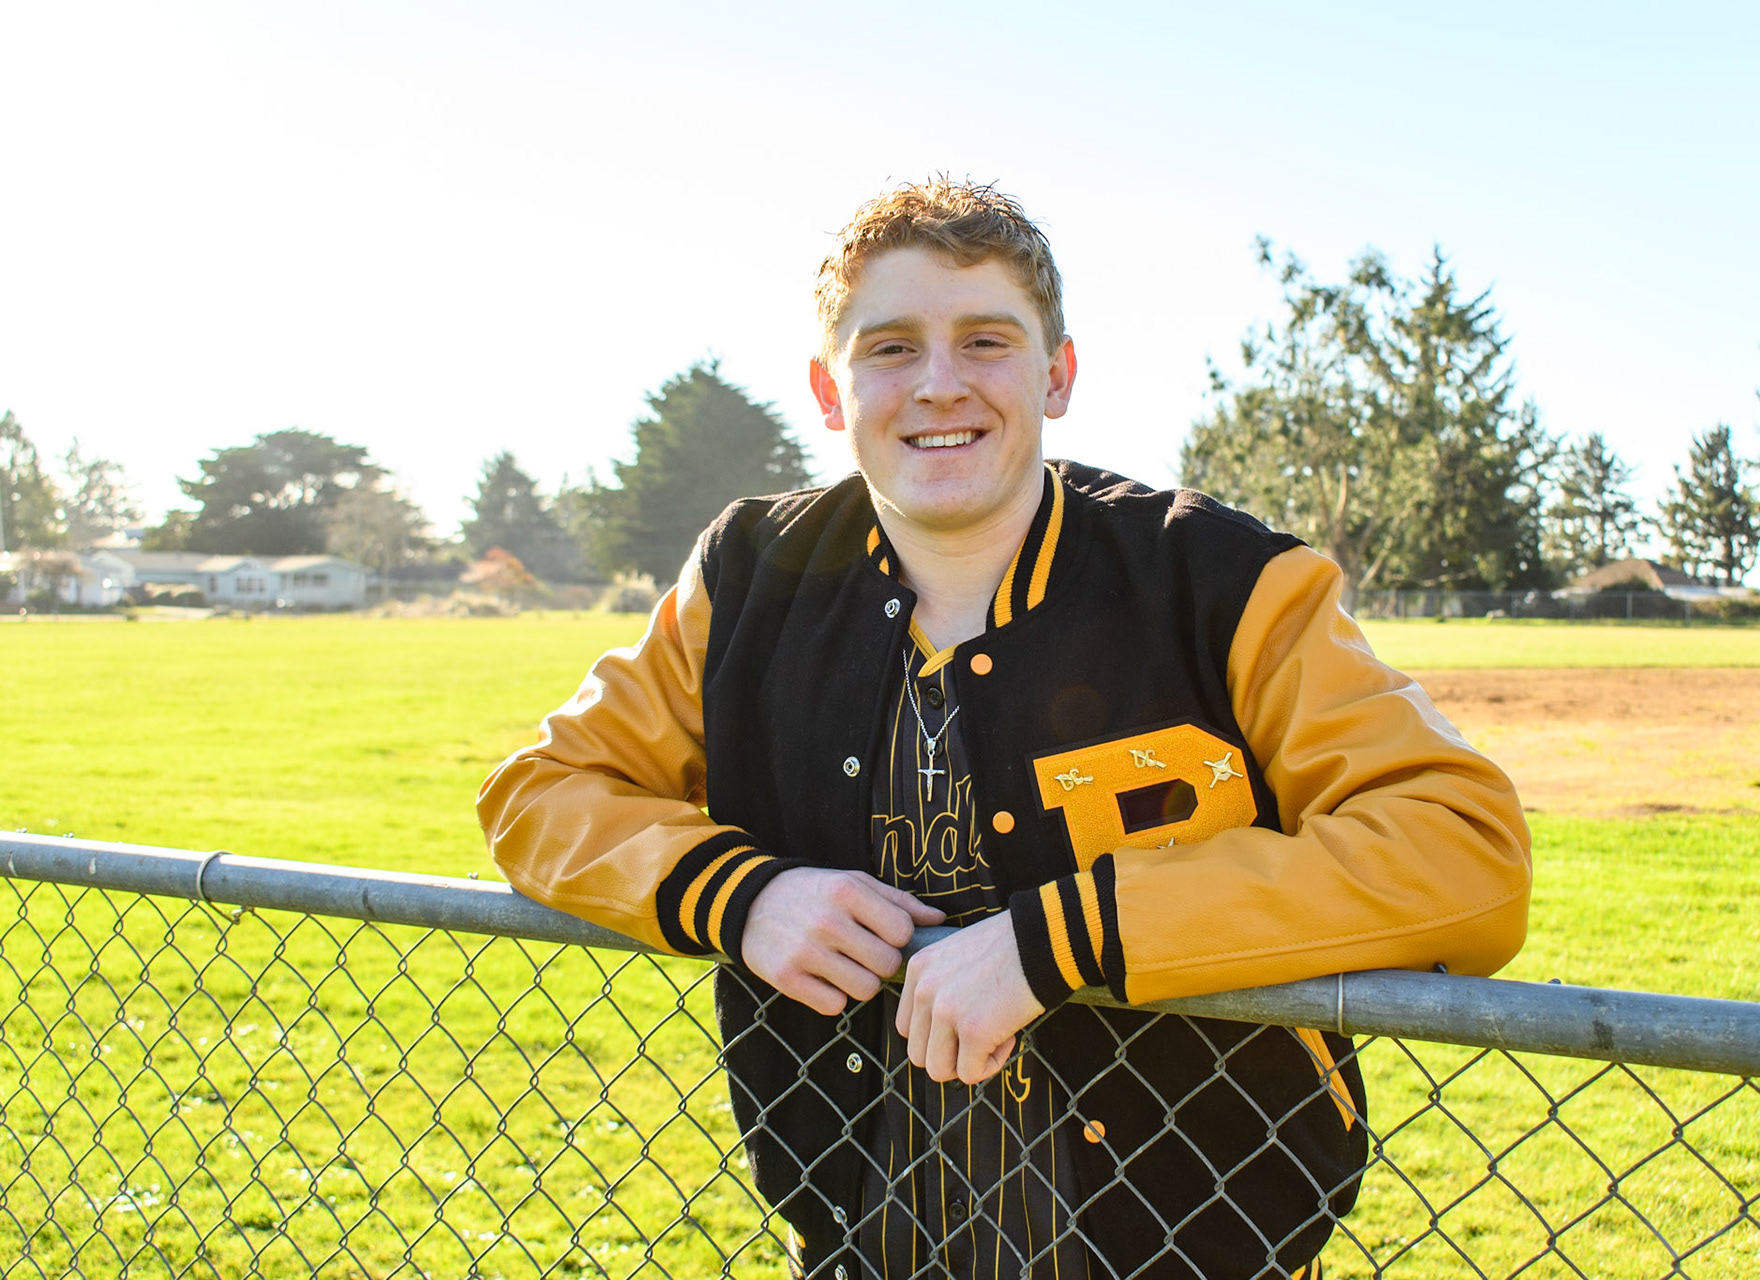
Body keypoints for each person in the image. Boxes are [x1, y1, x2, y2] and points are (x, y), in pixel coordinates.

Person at [477, 179, 1531, 1280]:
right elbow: (539, 793)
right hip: (855, 1243)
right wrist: (742, 895)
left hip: (1200, 1246)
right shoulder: (750, 577)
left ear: (1057, 374)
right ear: (830, 390)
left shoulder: (1220, 579)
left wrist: (1063, 941)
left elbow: (1464, 851)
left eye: (986, 340)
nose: (940, 383)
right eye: (891, 347)